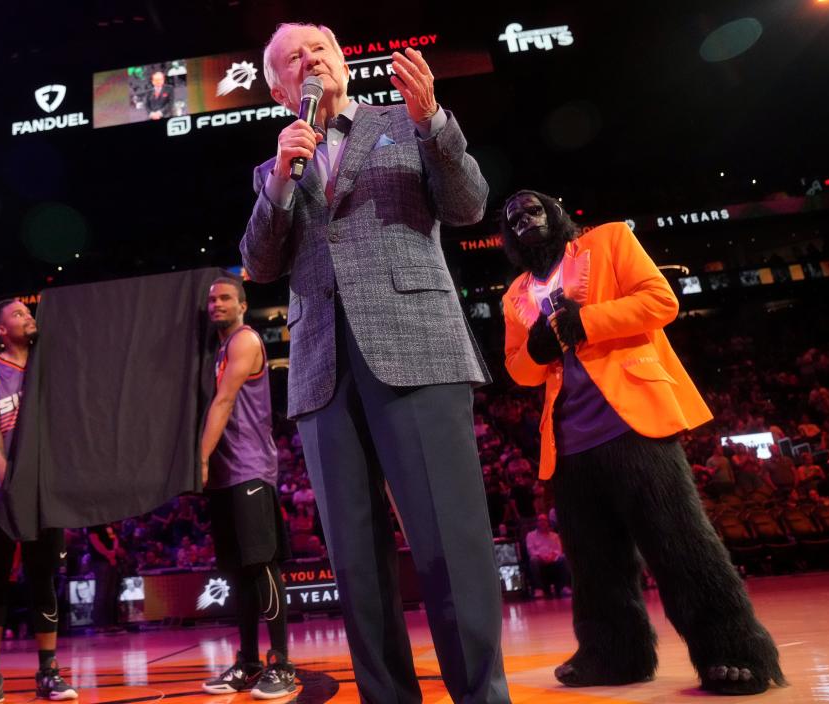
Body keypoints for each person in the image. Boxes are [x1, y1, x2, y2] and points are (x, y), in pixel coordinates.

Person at [241, 22, 509, 703]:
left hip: (417, 345)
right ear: (277, 90)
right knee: (356, 566)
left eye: (318, 49)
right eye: (292, 59)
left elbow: (469, 204)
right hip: (321, 371)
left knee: (450, 543)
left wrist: (436, 123)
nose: (309, 62)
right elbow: (259, 264)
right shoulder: (275, 166)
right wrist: (278, 182)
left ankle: (482, 695)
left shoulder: (406, 123)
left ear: (343, 61)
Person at [500, 190, 784, 695]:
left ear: (556, 213)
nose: (524, 219)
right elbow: (518, 368)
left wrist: (584, 322)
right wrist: (538, 347)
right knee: (594, 564)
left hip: (633, 423)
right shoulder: (514, 295)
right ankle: (613, 656)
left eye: (533, 209)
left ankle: (736, 652)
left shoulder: (608, 241)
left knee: (681, 546)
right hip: (567, 444)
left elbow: (661, 301)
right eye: (513, 218)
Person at [0, 299, 76, 704]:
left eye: (29, 314)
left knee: (43, 580)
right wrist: (8, 480)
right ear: (1, 331)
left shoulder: (49, 368)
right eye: (18, 315)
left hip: (44, 496)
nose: (28, 317)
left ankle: (49, 672)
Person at [198, 277, 294, 699]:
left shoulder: (244, 340)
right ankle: (250, 661)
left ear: (242, 304)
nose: (216, 304)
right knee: (237, 571)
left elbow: (223, 401)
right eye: (212, 299)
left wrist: (197, 458)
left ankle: (282, 664)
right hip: (224, 474)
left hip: (250, 470)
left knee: (261, 566)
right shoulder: (216, 350)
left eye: (225, 298)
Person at [525, 514, 571, 598]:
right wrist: (541, 557)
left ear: (548, 523)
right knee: (533, 560)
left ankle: (564, 587)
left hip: (553, 560)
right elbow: (531, 550)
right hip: (539, 560)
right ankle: (539, 589)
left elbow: (558, 551)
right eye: (540, 521)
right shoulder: (530, 535)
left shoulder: (555, 536)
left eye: (544, 521)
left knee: (564, 557)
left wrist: (552, 557)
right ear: (537, 523)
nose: (542, 523)